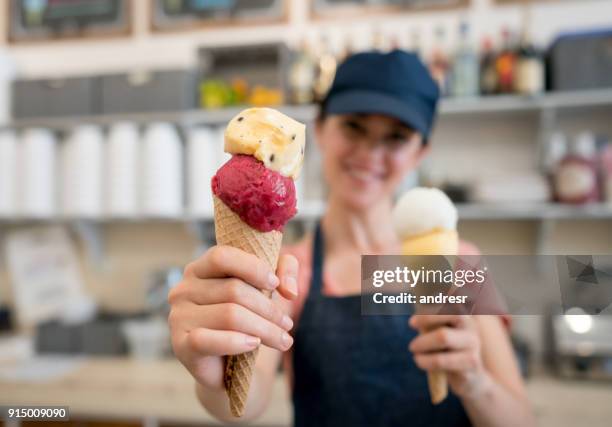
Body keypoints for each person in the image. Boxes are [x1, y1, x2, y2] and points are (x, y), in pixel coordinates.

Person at [168, 50, 535, 427]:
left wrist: (475, 383)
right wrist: (213, 374)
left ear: (419, 152)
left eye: (396, 137)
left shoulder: (463, 261)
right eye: (354, 127)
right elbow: (245, 400)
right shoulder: (290, 271)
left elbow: (521, 420)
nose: (371, 152)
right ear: (322, 128)